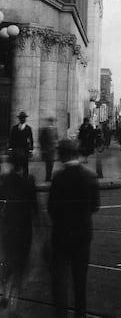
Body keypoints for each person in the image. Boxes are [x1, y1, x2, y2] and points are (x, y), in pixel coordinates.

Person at [48, 138, 100, 318]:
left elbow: (51, 209)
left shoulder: (58, 178)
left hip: (61, 236)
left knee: (60, 282)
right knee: (80, 282)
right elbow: (95, 206)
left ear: (62, 155)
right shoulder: (90, 176)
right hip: (82, 236)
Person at [0, 155, 37, 313]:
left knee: (7, 261)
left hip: (8, 230)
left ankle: (4, 292)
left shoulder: (5, 181)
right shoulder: (29, 182)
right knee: (19, 266)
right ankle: (14, 299)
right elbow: (34, 210)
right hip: (23, 231)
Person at [8, 112, 34, 178]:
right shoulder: (15, 128)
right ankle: (16, 180)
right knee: (16, 165)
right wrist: (10, 148)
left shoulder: (28, 128)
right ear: (19, 119)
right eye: (21, 118)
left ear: (25, 119)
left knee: (25, 165)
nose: (22, 119)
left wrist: (31, 150)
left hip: (25, 149)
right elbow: (11, 138)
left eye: (24, 118)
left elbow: (31, 139)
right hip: (16, 149)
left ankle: (25, 179)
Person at [39, 117, 59, 182]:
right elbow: (41, 140)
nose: (51, 123)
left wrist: (56, 144)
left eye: (52, 121)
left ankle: (49, 177)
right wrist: (43, 149)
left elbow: (56, 137)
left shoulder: (55, 129)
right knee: (48, 164)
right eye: (50, 121)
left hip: (52, 149)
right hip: (47, 149)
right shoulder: (45, 130)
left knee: (51, 164)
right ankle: (48, 177)